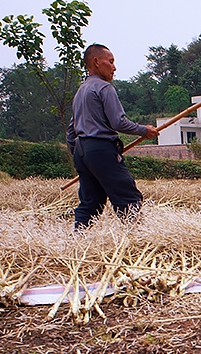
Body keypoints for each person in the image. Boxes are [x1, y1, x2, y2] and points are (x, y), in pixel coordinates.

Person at [66, 44, 158, 231]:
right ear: (96, 62)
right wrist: (143, 130)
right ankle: (139, 238)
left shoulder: (80, 92)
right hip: (102, 150)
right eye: (110, 62)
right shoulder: (104, 88)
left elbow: (71, 132)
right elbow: (118, 122)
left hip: (82, 151)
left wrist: (81, 156)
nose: (114, 67)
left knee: (90, 203)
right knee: (128, 198)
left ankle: (77, 240)